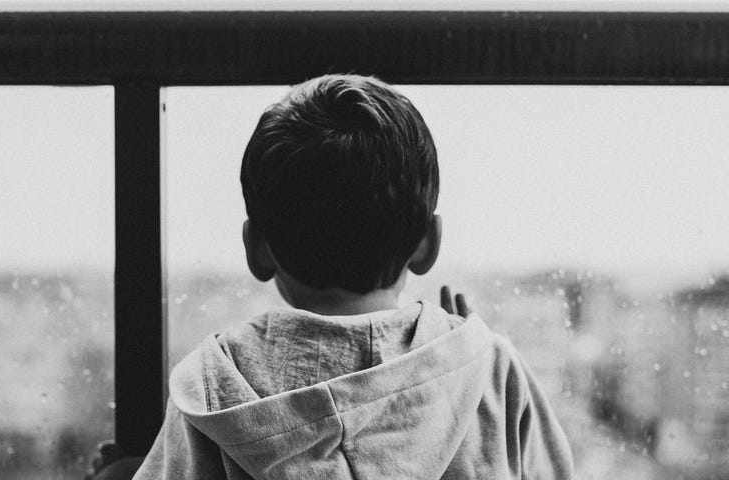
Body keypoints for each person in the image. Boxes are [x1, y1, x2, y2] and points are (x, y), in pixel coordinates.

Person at [91, 74, 577, 479]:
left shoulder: (214, 385)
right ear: (428, 243)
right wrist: (457, 358)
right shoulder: (491, 369)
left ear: (256, 249)